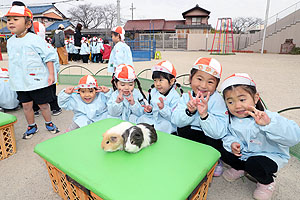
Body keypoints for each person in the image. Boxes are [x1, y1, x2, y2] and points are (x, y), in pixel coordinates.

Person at [219, 73, 300, 200]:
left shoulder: (269, 117)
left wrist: (270, 125)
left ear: (256, 98)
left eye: (242, 99)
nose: (237, 106)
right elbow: (227, 136)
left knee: (255, 164)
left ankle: (266, 183)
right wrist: (232, 143)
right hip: (245, 154)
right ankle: (240, 168)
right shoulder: (231, 120)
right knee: (222, 149)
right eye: (230, 101)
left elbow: (294, 137)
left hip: (270, 156)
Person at [5, 4, 59, 139]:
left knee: (43, 105)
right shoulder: (10, 42)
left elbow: (49, 57)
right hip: (20, 82)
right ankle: (31, 126)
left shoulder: (35, 40)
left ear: (28, 23)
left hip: (37, 81)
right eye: (9, 19)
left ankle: (49, 123)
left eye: (15, 19)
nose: (11, 22)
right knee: (26, 106)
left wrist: (51, 74)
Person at [171, 57, 228, 176]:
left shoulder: (218, 101)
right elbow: (175, 120)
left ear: (216, 85)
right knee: (181, 129)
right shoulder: (186, 97)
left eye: (210, 82)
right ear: (191, 79)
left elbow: (220, 132)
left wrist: (205, 116)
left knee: (215, 140)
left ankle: (214, 160)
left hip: (208, 136)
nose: (203, 85)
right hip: (191, 133)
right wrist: (189, 112)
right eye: (199, 79)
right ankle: (189, 155)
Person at [137, 60, 182, 134]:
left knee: (166, 126)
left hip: (166, 121)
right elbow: (150, 106)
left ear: (171, 81)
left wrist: (163, 109)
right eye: (155, 80)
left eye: (161, 80)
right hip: (153, 119)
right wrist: (149, 110)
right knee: (141, 119)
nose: (157, 84)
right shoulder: (153, 92)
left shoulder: (175, 97)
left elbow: (174, 118)